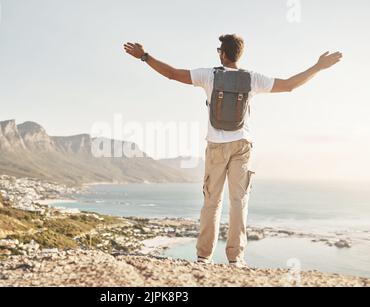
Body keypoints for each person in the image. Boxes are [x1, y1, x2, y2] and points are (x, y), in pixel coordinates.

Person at [123, 34, 342, 267]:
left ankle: (204, 257)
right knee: (239, 201)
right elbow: (289, 85)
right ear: (239, 54)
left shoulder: (209, 75)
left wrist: (145, 56)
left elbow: (172, 74)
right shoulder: (252, 79)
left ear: (222, 53)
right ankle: (235, 259)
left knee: (212, 201)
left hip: (216, 146)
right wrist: (318, 66)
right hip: (242, 145)